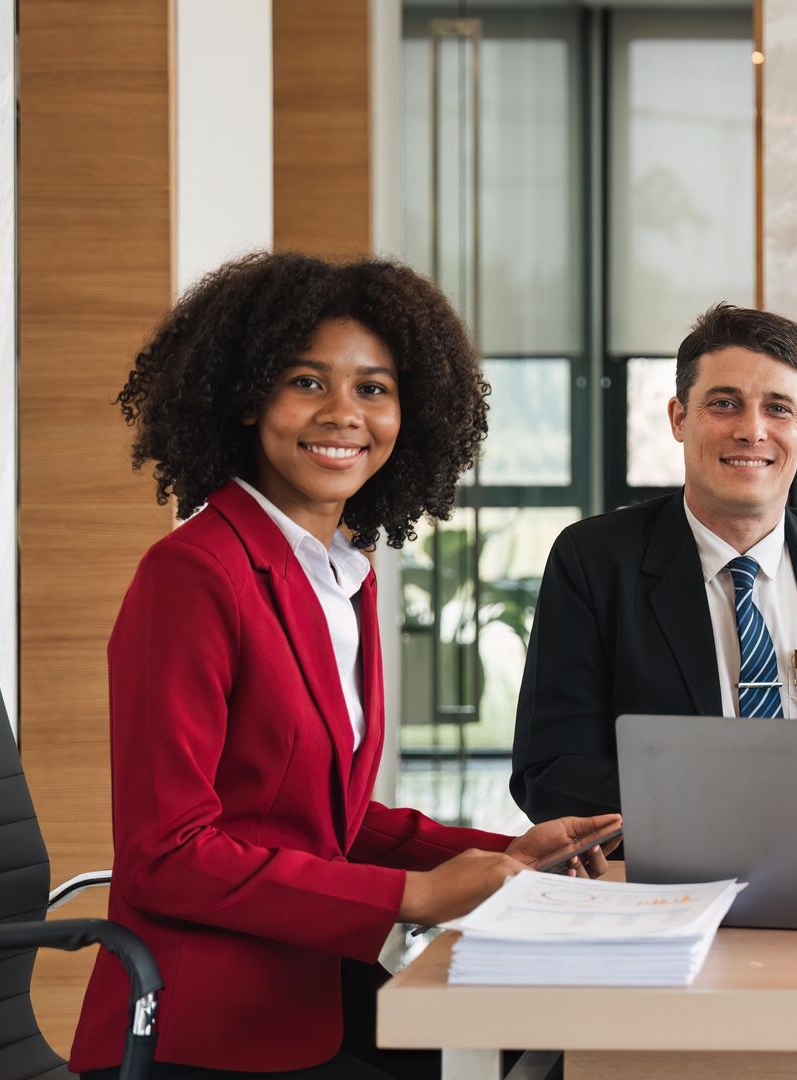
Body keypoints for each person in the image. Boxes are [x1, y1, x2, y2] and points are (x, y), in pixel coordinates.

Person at [70, 252, 619, 1079]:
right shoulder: (193, 575)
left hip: (318, 992)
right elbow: (168, 855)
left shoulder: (338, 575)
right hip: (203, 1029)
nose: (343, 414)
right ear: (248, 396)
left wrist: (514, 851)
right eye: (306, 381)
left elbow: (333, 819)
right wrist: (413, 897)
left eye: (374, 388)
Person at [509, 303, 797, 846]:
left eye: (777, 409)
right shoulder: (593, 560)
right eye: (724, 404)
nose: (752, 431)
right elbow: (551, 770)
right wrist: (741, 826)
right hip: (670, 883)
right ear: (679, 418)